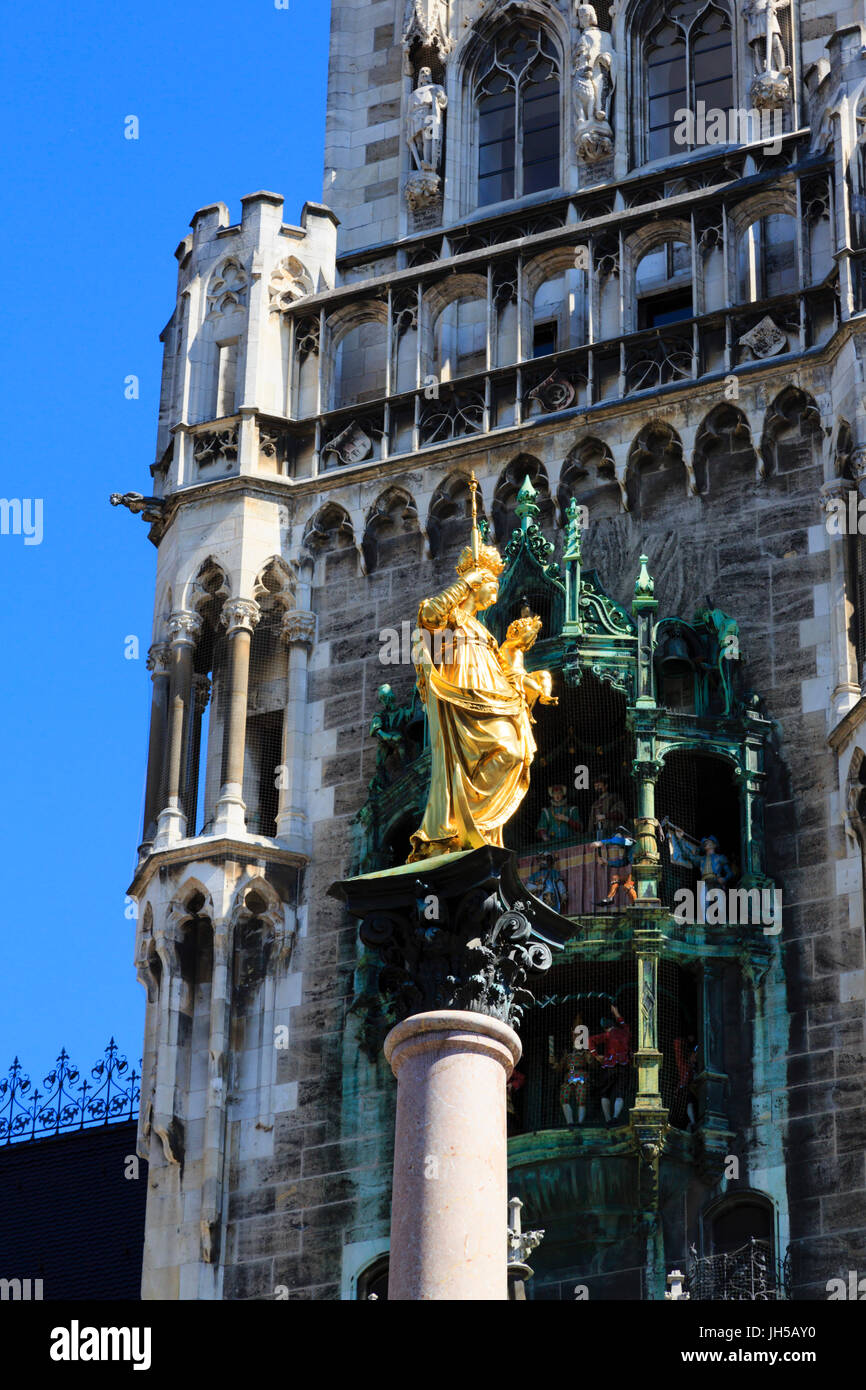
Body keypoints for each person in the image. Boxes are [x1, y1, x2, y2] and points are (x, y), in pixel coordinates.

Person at [408, 476, 556, 861]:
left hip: (489, 699)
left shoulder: (484, 632)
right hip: (461, 700)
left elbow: (504, 676)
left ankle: (480, 827)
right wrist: (463, 585)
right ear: (477, 583)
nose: (496, 590)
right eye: (491, 582)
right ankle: (459, 824)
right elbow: (427, 615)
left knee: (514, 749)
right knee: (504, 748)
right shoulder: (454, 618)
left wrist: (521, 663)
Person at [589, 1005, 631, 1124]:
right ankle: (615, 1117)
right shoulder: (625, 1032)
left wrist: (596, 1055)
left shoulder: (607, 1035)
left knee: (605, 1093)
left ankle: (607, 1119)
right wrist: (616, 1013)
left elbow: (590, 1040)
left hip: (610, 1066)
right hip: (624, 1065)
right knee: (620, 1093)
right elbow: (624, 1024)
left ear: (605, 1028)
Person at [549, 1016, 593, 1126]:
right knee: (564, 1096)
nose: (576, 1036)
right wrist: (554, 1063)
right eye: (575, 1033)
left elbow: (591, 1063)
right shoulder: (567, 1052)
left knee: (581, 1097)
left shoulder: (585, 1049)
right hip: (571, 1073)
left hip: (582, 1074)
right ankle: (570, 1122)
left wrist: (590, 1057)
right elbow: (561, 1067)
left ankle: (580, 1122)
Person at [673, 1034, 698, 1131]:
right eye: (694, 1055)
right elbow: (678, 1048)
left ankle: (692, 1123)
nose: (695, 1057)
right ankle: (692, 1122)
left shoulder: (695, 1068)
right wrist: (686, 1040)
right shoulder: (685, 1066)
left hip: (690, 1093)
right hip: (683, 1092)